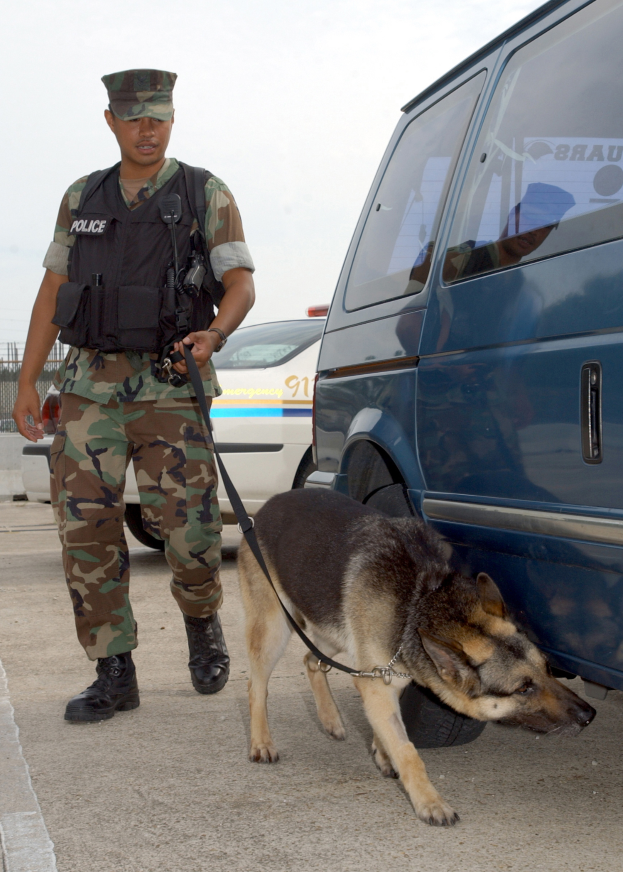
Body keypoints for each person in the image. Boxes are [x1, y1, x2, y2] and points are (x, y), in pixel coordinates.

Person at [12, 69, 256, 722]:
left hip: (170, 384)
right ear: (111, 121)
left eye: (158, 116)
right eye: (134, 117)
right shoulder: (80, 196)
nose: (147, 129)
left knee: (190, 529)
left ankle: (202, 620)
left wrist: (215, 331)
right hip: (89, 385)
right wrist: (30, 379)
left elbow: (239, 284)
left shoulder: (204, 192)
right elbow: (51, 291)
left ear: (172, 119)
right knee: (86, 530)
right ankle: (113, 670)